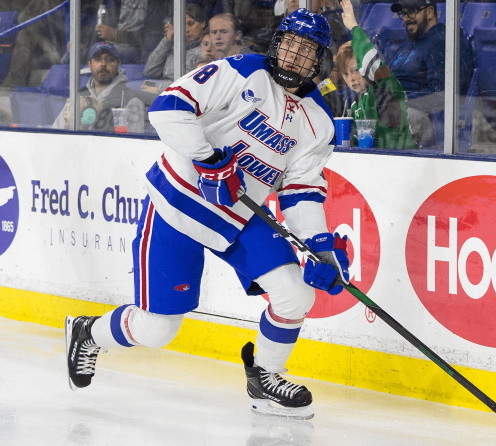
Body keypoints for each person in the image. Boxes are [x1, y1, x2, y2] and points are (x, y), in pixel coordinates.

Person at [65, 9, 350, 420]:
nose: (293, 54)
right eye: (289, 43)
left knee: (295, 293)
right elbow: (168, 107)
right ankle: (86, 333)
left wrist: (320, 245)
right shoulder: (241, 71)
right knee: (157, 330)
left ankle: (266, 379)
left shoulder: (318, 119)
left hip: (238, 216)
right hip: (179, 203)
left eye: (306, 49)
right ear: (276, 43)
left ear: (318, 59)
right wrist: (209, 159)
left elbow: (301, 188)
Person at [386, 0, 475, 147]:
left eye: (412, 12)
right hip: (398, 107)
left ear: (429, 12)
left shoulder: (444, 42)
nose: (406, 18)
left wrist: (402, 101)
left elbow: (440, 95)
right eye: (403, 13)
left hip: (424, 116)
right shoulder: (412, 41)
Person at [335, 0, 416, 149]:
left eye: (355, 70)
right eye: (345, 74)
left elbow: (371, 63)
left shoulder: (387, 86)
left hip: (404, 161)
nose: (351, 78)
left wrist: (354, 27)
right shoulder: (355, 107)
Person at [52, 41, 146, 132]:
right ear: (90, 64)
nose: (103, 64)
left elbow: (133, 143)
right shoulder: (78, 97)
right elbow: (56, 132)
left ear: (118, 64)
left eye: (110, 60)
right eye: (98, 59)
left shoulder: (130, 100)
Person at [143, 4, 207, 89]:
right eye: (182, 25)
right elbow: (149, 71)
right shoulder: (173, 47)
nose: (186, 30)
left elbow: (189, 86)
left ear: (203, 23)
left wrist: (158, 88)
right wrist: (167, 39)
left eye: (191, 24)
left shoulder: (205, 51)